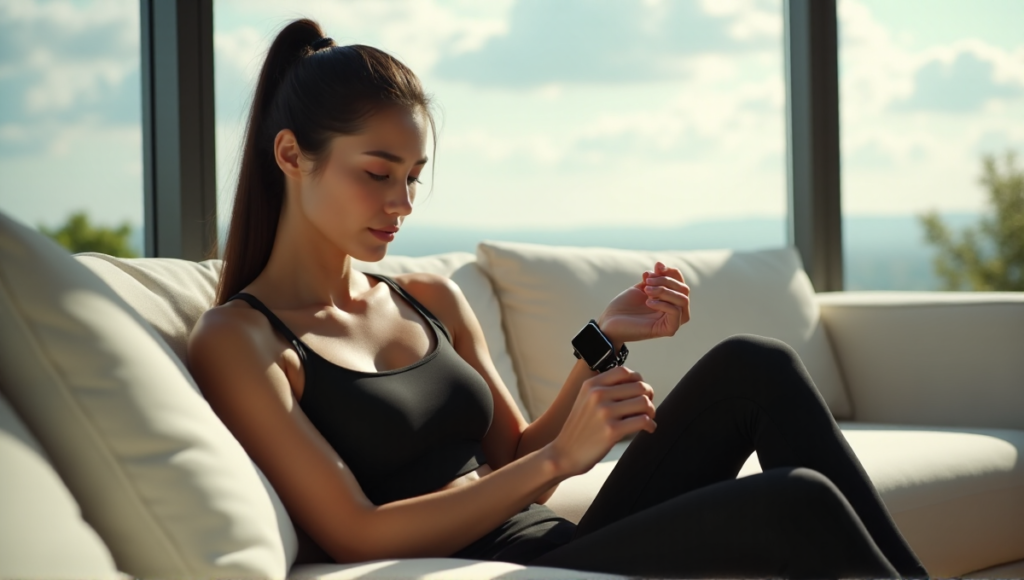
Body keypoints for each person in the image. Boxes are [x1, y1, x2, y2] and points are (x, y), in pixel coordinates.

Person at [188, 18, 928, 579]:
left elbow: (511, 449)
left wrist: (601, 338)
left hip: (565, 548)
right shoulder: (242, 339)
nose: (402, 201)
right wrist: (557, 467)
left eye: (414, 175)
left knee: (755, 366)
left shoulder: (426, 297)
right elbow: (356, 532)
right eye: (377, 172)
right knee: (793, 501)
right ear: (291, 155)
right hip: (506, 573)